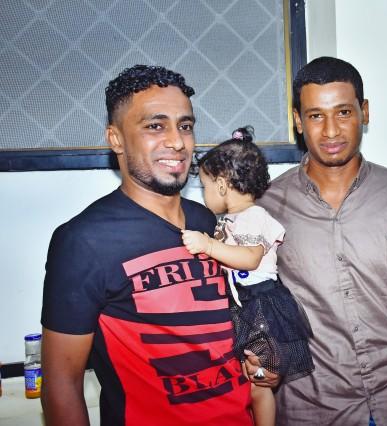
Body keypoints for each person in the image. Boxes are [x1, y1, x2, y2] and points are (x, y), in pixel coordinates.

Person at [40, 65, 269, 426]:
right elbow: (61, 385)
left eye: (185, 126)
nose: (177, 142)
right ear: (116, 138)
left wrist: (261, 362)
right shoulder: (83, 241)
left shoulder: (209, 222)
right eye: (155, 126)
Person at [257, 56, 387, 425]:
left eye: (344, 112)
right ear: (298, 121)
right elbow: (250, 298)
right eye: (316, 116)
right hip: (312, 407)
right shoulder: (267, 207)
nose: (331, 130)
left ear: (364, 112)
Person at [181, 126, 314, 426]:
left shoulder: (254, 216)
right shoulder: (231, 220)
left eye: (205, 187)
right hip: (244, 304)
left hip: (260, 305)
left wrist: (209, 245)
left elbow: (250, 258)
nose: (204, 195)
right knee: (249, 379)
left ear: (222, 185)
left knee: (259, 384)